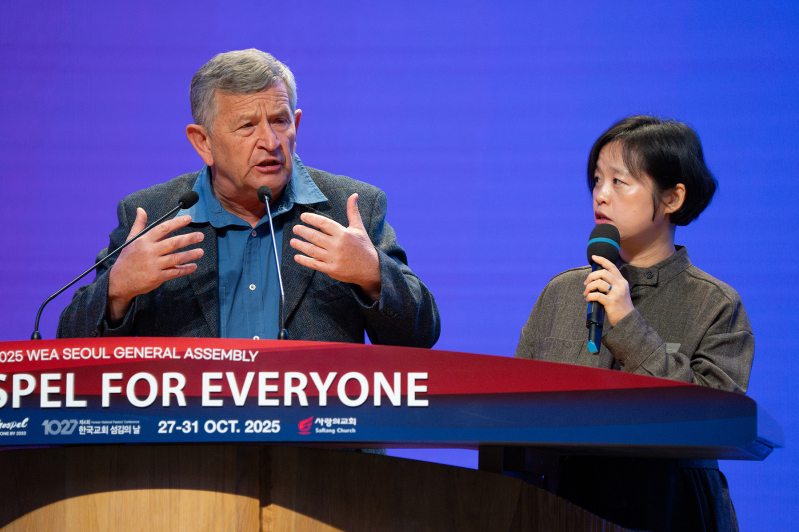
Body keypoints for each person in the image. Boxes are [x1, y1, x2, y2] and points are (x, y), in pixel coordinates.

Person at [57, 49, 440, 348]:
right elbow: (69, 348)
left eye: (280, 120)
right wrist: (116, 292)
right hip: (189, 444)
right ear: (202, 142)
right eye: (246, 126)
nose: (271, 142)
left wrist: (373, 276)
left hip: (319, 443)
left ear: (297, 125)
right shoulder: (153, 216)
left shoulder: (349, 209)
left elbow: (421, 335)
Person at [515, 116, 753, 531]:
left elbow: (713, 420)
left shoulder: (716, 303)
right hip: (559, 502)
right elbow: (513, 408)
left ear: (673, 198)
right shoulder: (561, 291)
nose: (600, 196)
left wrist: (628, 324)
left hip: (671, 508)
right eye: (596, 180)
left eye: (619, 182)